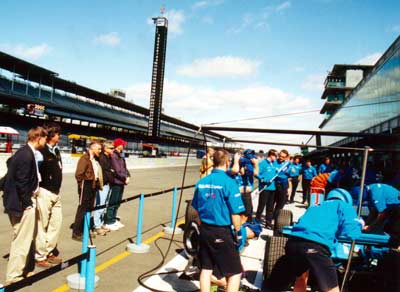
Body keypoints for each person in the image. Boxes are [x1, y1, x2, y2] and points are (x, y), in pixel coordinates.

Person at [266, 188, 363, 292]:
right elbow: (352, 232)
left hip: (293, 244)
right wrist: (360, 226)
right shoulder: (343, 206)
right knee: (331, 288)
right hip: (315, 247)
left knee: (302, 277)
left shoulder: (315, 207)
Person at [191, 149, 245, 292]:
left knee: (206, 268)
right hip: (222, 231)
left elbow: (196, 212)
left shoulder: (201, 182)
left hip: (205, 230)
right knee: (235, 272)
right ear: (228, 162)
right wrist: (238, 233)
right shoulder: (229, 183)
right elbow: (235, 213)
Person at [2, 126, 47, 284]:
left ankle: (24, 269)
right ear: (38, 138)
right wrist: (27, 203)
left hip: (20, 200)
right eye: (44, 138)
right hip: (22, 203)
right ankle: (14, 276)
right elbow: (22, 182)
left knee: (26, 238)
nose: (45, 141)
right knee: (21, 240)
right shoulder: (26, 155)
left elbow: (11, 166)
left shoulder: (24, 153)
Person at [35, 123, 63, 268]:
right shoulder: (41, 151)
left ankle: (49, 250)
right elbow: (34, 171)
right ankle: (40, 256)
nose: (60, 136)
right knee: (42, 225)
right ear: (52, 135)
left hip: (56, 192)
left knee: (56, 224)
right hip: (45, 191)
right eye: (58, 134)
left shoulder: (56, 151)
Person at [72, 141, 103, 240]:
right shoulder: (84, 158)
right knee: (82, 209)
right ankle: (77, 233)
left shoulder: (94, 159)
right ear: (92, 148)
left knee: (89, 209)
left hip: (93, 186)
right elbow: (78, 174)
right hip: (86, 186)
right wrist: (82, 186)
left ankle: (85, 230)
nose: (100, 151)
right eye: (98, 149)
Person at [363, 183, 400, 247]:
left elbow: (382, 214)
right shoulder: (373, 192)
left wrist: (370, 227)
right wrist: (367, 224)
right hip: (392, 210)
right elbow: (375, 210)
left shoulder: (375, 194)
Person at [105, 138, 130, 231]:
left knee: (118, 202)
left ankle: (113, 219)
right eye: (122, 144)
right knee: (113, 201)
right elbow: (117, 170)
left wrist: (128, 176)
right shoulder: (114, 156)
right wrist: (124, 178)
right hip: (116, 182)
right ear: (118, 145)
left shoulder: (120, 155)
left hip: (121, 182)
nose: (124, 146)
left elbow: (125, 168)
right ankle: (109, 221)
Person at [93, 141, 114, 235]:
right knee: (100, 205)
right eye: (111, 148)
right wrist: (111, 172)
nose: (113, 149)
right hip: (103, 184)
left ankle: (101, 224)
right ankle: (96, 226)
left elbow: (110, 171)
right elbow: (107, 171)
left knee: (104, 205)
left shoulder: (108, 157)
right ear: (105, 148)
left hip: (108, 184)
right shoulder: (102, 158)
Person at [255, 149, 278, 229]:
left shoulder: (275, 163)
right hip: (265, 188)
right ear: (271, 155)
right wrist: (263, 180)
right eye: (275, 156)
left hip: (273, 188)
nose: (276, 157)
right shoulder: (263, 163)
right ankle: (257, 222)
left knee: (270, 207)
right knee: (261, 206)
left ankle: (268, 223)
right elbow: (256, 173)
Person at [238, 149, 258, 221]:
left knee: (248, 210)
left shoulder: (247, 163)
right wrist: (256, 164)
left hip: (245, 190)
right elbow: (255, 173)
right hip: (243, 191)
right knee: (247, 212)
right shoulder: (243, 162)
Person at [273, 149, 290, 217]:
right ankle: (270, 216)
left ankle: (276, 216)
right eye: (280, 156)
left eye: (283, 157)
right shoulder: (274, 162)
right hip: (274, 184)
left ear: (286, 157)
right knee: (272, 201)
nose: (281, 158)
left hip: (283, 184)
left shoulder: (288, 164)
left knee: (281, 202)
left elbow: (289, 173)